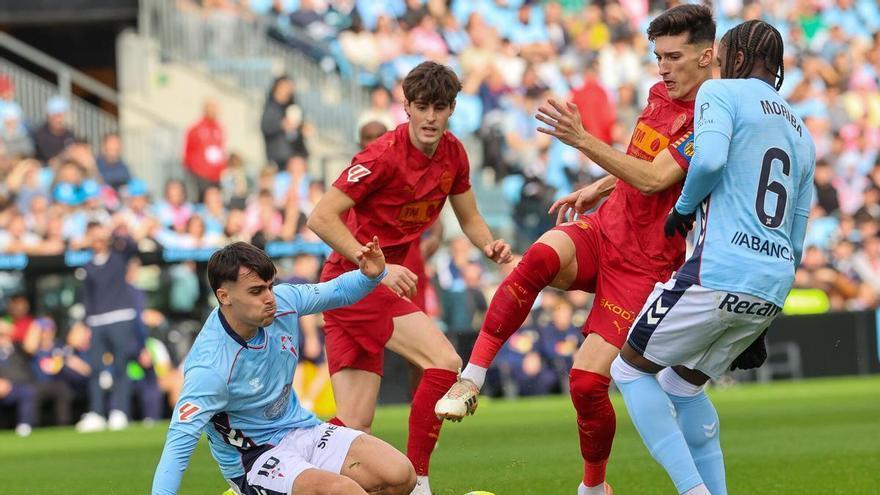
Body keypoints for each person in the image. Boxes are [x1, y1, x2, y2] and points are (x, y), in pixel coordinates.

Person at [436, 6, 718, 495]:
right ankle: (472, 377)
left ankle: (593, 488)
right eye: (657, 57)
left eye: (674, 57)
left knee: (587, 385)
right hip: (605, 228)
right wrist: (601, 187)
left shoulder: (713, 116)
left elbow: (655, 179)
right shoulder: (659, 94)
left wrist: (582, 140)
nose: (663, 68)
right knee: (540, 258)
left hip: (647, 265)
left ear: (707, 55)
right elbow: (642, 162)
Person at [610, 20, 814, 495]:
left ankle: (692, 491)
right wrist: (765, 309)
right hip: (772, 282)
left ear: (736, 58)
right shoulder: (801, 129)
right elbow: (797, 231)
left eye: (723, 55)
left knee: (628, 368)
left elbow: (708, 160)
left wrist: (682, 210)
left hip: (717, 266)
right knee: (683, 386)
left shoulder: (720, 94)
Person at [308, 61, 512, 494]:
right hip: (354, 282)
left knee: (352, 428)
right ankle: (418, 483)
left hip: (365, 285)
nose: (431, 117)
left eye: (440, 107)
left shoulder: (454, 154)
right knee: (445, 361)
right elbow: (321, 217)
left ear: (453, 108)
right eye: (423, 107)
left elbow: (470, 217)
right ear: (407, 107)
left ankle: (271, 473)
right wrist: (376, 269)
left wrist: (488, 244)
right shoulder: (381, 155)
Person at [152, 241, 416, 495]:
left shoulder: (283, 300)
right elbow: (179, 441)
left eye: (270, 286)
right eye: (256, 291)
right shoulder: (210, 367)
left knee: (401, 475)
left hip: (305, 429)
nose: (270, 298)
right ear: (224, 296)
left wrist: (370, 275)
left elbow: (335, 291)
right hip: (256, 458)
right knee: (344, 491)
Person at [75, 222, 139, 433]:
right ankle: (97, 412)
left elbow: (132, 245)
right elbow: (87, 299)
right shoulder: (88, 266)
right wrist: (85, 325)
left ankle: (120, 411)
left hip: (120, 318)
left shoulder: (118, 257)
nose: (97, 240)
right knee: (94, 368)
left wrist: (111, 233)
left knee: (120, 366)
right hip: (97, 322)